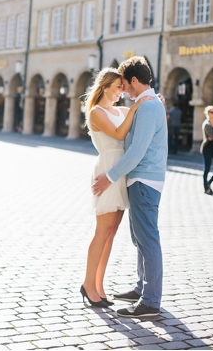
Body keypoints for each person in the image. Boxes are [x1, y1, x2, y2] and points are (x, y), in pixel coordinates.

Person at [92, 56, 167, 318]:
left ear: (134, 80)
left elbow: (136, 151)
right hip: (141, 179)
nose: (123, 88)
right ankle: (141, 288)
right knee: (140, 237)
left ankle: (150, 301)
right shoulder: (147, 104)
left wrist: (110, 176)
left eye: (124, 83)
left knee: (147, 239)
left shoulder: (147, 107)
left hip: (144, 179)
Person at [81, 68, 152, 308]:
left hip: (120, 171)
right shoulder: (96, 112)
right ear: (105, 87)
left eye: (123, 87)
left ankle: (99, 286)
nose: (122, 91)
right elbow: (121, 132)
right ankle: (88, 285)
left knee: (111, 233)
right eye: (118, 87)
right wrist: (135, 107)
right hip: (107, 169)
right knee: (102, 231)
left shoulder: (120, 110)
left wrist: (153, 100)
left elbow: (139, 116)